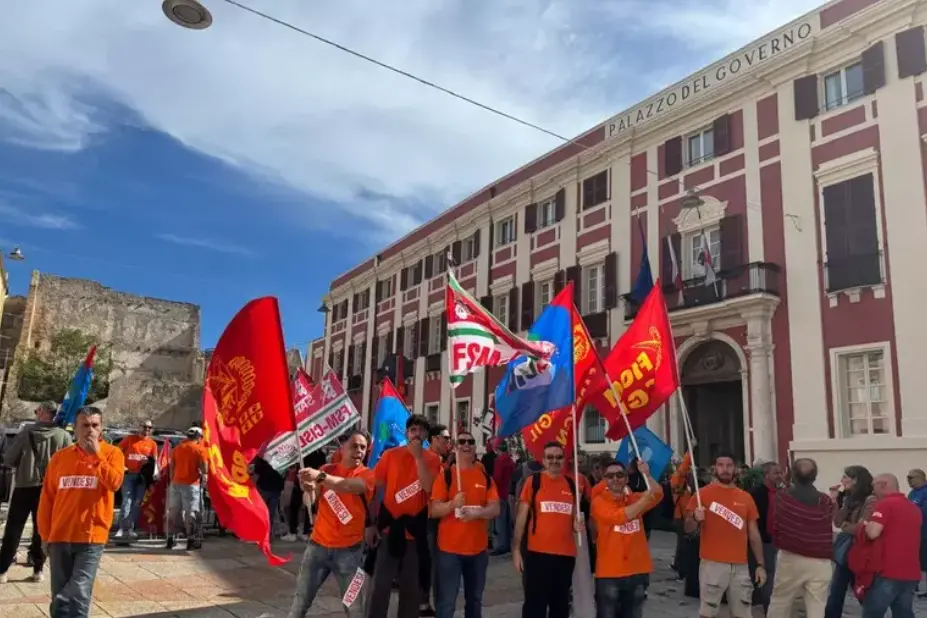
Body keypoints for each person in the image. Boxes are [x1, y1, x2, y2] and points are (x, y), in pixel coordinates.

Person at [37, 406, 124, 618]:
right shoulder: (60, 457)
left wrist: (96, 456)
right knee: (59, 592)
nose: (90, 430)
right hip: (59, 536)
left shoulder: (113, 454)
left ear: (101, 428)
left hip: (91, 537)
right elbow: (47, 499)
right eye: (85, 425)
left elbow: (114, 483)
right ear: (74, 428)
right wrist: (45, 535)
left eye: (95, 425)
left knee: (79, 591)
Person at [286, 431, 375, 618]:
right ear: (342, 447)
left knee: (354, 608)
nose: (359, 451)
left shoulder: (367, 475)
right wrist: (308, 489)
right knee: (300, 602)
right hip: (317, 547)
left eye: (363, 447)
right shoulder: (327, 469)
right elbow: (309, 502)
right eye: (354, 446)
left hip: (351, 553)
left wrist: (319, 477)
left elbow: (347, 486)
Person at [367, 415, 442, 618]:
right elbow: (374, 487)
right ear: (406, 433)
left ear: (426, 435)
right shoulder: (390, 455)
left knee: (411, 588)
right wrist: (371, 523)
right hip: (389, 529)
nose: (416, 434)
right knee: (380, 585)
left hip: (415, 532)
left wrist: (418, 458)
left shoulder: (433, 460)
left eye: (420, 430)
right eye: (413, 430)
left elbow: (429, 488)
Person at [684, 452, 767, 618]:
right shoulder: (702, 495)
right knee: (708, 612)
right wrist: (694, 517)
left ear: (735, 469)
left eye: (729, 465)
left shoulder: (746, 498)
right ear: (714, 469)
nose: (725, 469)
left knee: (743, 612)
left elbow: (754, 534)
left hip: (740, 565)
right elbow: (688, 528)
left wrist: (760, 564)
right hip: (712, 564)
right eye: (721, 465)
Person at [0, 401, 72, 584]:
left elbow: (8, 459)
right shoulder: (63, 436)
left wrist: (24, 465)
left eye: (36, 411)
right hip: (49, 490)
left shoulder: (26, 433)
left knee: (14, 529)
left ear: (42, 412)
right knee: (41, 530)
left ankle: (2, 571)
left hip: (24, 486)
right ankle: (38, 570)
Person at [430, 431, 499, 618]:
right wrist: (452, 504)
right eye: (462, 441)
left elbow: (495, 508)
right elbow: (434, 510)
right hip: (449, 551)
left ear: (475, 447)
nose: (466, 444)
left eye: (471, 441)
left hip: (478, 551)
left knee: (475, 601)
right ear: (454, 446)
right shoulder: (446, 476)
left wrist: (479, 512)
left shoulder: (485, 477)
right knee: (446, 603)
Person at [512, 441, 584, 618]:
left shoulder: (571, 484)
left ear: (564, 460)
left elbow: (574, 517)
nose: (554, 461)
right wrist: (515, 550)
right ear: (543, 460)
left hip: (565, 556)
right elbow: (521, 518)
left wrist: (576, 525)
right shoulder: (533, 482)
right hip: (538, 555)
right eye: (550, 457)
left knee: (560, 606)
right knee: (535, 606)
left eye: (558, 457)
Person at [591, 459, 662, 618]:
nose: (615, 479)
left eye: (619, 475)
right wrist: (645, 500)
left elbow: (658, 494)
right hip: (610, 573)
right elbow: (619, 517)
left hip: (637, 571)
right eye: (610, 476)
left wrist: (647, 475)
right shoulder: (598, 502)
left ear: (626, 478)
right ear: (605, 480)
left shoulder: (634, 498)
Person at [766, 458, 835, 618]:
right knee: (816, 606)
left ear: (792, 475)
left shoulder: (783, 497)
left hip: (791, 557)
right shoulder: (824, 500)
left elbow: (774, 525)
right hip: (820, 559)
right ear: (815, 476)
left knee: (780, 601)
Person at [858, 473, 922, 618]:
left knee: (873, 613)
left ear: (883, 485)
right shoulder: (913, 507)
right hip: (910, 572)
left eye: (873, 486)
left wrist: (865, 525)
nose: (872, 491)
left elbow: (873, 533)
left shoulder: (885, 504)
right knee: (903, 613)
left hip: (887, 571)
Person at [825, 465, 876, 618]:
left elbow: (862, 528)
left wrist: (847, 526)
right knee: (836, 591)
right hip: (846, 551)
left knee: (862, 591)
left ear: (856, 480)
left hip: (861, 551)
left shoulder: (871, 500)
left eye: (846, 477)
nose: (842, 480)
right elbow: (838, 522)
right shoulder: (849, 498)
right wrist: (838, 502)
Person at [748, 461, 783, 614]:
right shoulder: (755, 494)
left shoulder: (783, 493)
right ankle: (767, 606)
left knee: (773, 573)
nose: (780, 476)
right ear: (767, 475)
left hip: (779, 540)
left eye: (780, 473)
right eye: (776, 473)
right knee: (767, 573)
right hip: (763, 540)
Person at [166, 426, 209, 550]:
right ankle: (191, 540)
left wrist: (173, 480)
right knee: (190, 513)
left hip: (175, 483)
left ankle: (170, 538)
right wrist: (204, 477)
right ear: (198, 437)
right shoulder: (200, 449)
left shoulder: (176, 449)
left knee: (173, 511)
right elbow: (204, 468)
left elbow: (172, 468)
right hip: (191, 485)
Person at [114, 420, 158, 539]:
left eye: (149, 427)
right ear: (139, 427)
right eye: (145, 427)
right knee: (127, 501)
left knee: (137, 503)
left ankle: (131, 528)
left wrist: (149, 465)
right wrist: (121, 466)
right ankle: (122, 528)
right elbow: (117, 452)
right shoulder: (129, 439)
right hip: (128, 475)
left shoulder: (152, 444)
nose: (147, 430)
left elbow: (155, 461)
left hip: (142, 477)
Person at [490, 440, 515, 556]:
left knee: (499, 521)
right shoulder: (510, 460)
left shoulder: (499, 461)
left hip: (499, 493)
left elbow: (497, 478)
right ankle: (508, 544)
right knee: (507, 520)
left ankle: (501, 546)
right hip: (508, 493)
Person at [906, 468, 927, 597]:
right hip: (914, 533)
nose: (909, 481)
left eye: (911, 478)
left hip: (925, 533)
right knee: (915, 560)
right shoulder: (912, 492)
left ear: (921, 477)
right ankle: (914, 586)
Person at [253, 456, 285, 538]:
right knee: (266, 512)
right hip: (266, 488)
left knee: (269, 513)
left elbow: (256, 475)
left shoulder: (281, 457)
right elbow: (256, 474)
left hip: (272, 488)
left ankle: (266, 533)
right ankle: (263, 533)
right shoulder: (263, 458)